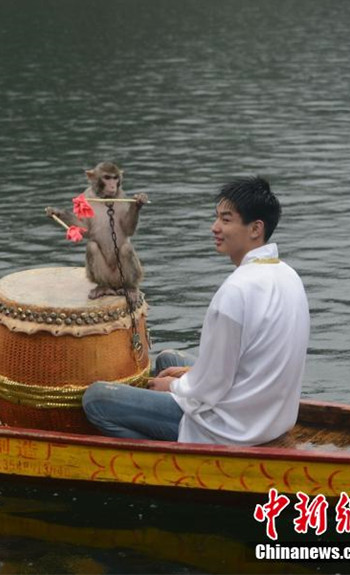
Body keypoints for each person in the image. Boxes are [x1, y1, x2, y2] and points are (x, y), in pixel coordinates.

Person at [83, 177, 310, 446]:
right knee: (168, 360)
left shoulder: (237, 290)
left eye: (226, 220)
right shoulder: (288, 273)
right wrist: (184, 379)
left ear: (255, 229)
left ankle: (168, 458)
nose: (215, 228)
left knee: (96, 399)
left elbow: (213, 385)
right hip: (271, 416)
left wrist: (176, 388)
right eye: (217, 218)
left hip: (233, 427)